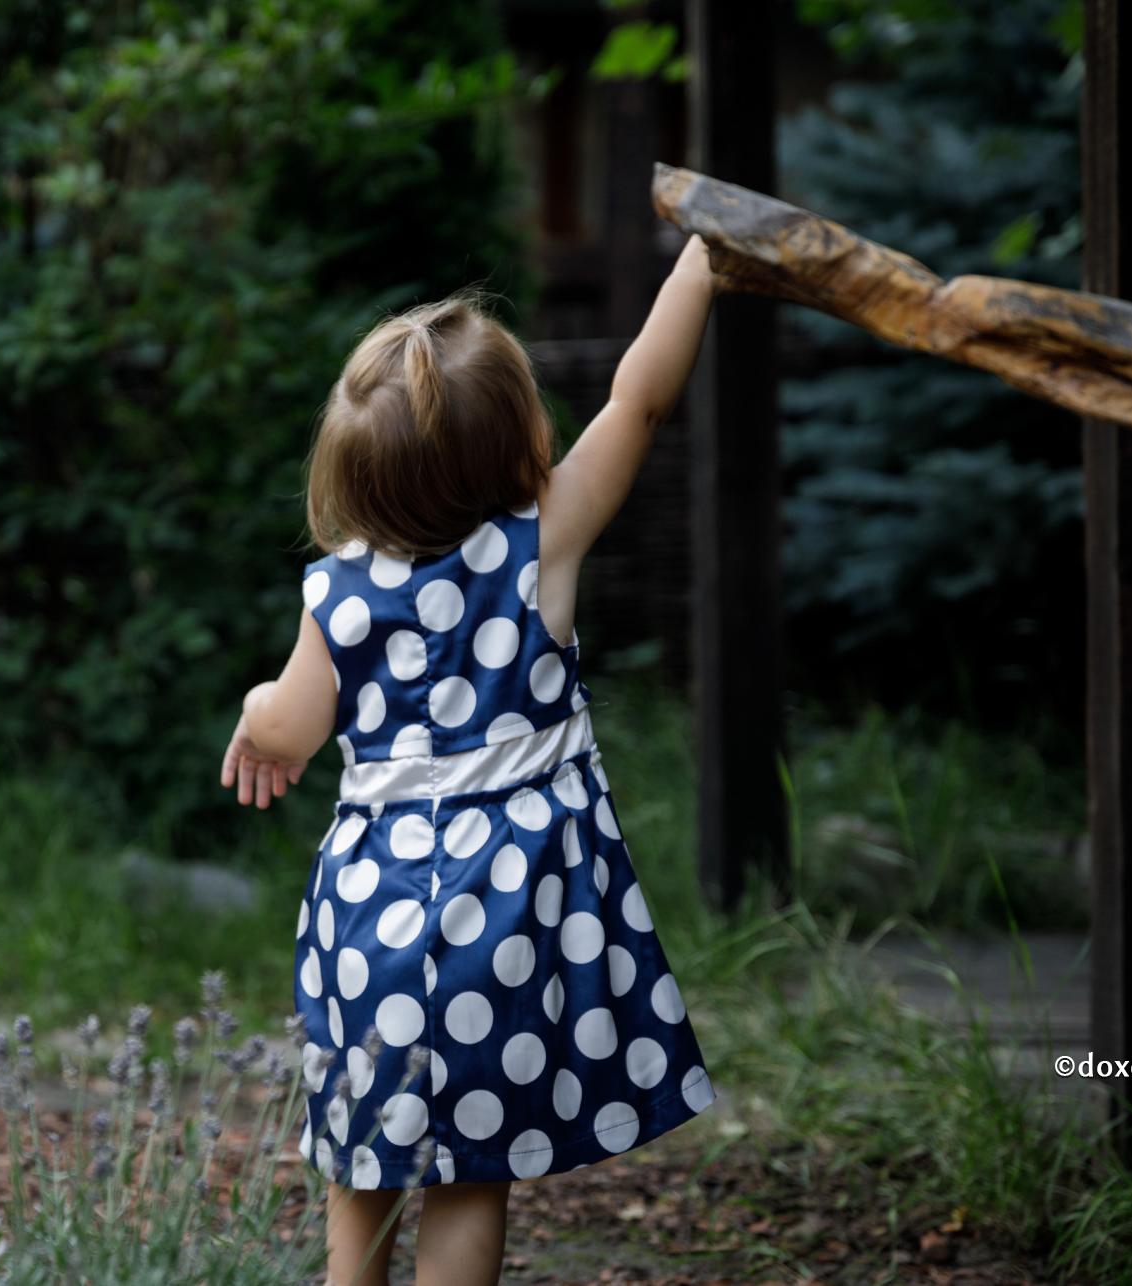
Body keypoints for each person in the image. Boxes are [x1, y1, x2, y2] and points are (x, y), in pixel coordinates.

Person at [220, 235, 722, 1286]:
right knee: (465, 1172)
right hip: (505, 921)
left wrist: (254, 718)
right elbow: (638, 401)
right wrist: (698, 264)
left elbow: (290, 727)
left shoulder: (341, 596)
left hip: (374, 923)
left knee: (363, 1157)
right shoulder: (536, 547)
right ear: (519, 444)